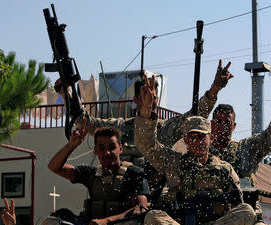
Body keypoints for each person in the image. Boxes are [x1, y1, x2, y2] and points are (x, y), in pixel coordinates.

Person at [57, 60, 233, 203]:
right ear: (135, 100)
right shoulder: (120, 126)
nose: (152, 101)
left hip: (154, 196)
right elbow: (85, 122)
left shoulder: (166, 128)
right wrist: (68, 95)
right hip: (120, 194)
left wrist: (215, 88)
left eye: (154, 97)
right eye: (146, 96)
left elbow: (196, 117)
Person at [166, 71, 271, 225]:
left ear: (234, 126)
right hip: (208, 218)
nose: (222, 128)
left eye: (227, 123)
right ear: (211, 125)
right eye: (218, 122)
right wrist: (214, 89)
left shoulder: (247, 149)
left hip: (246, 220)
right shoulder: (199, 150)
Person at [134, 75, 256, 225]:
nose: (197, 141)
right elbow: (147, 145)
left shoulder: (224, 169)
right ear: (185, 140)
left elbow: (237, 203)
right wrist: (146, 112)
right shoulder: (173, 161)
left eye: (201, 136)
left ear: (211, 138)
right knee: (151, 217)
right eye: (192, 137)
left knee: (247, 212)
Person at [42, 123, 150, 225]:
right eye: (102, 148)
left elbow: (141, 209)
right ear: (96, 151)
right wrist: (71, 145)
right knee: (49, 222)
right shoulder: (91, 174)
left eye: (111, 147)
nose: (107, 152)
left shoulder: (134, 174)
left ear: (120, 149)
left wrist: (106, 221)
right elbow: (54, 167)